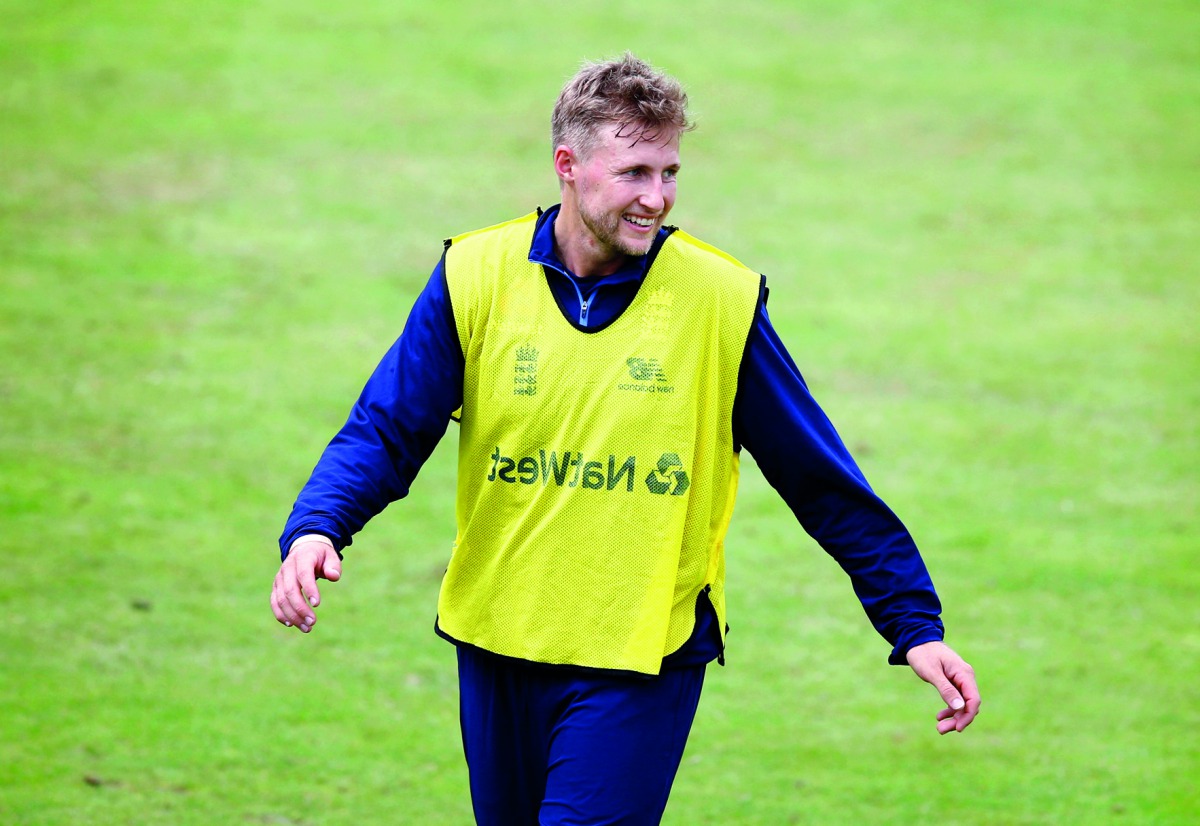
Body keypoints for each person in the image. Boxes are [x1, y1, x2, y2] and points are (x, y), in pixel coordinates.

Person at [271, 53, 980, 824]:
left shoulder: (719, 302)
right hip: (499, 639)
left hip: (640, 657)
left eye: (670, 172)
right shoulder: (475, 275)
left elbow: (819, 477)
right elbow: (387, 427)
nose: (657, 197)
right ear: (567, 166)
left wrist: (913, 625)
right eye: (635, 172)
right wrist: (317, 525)